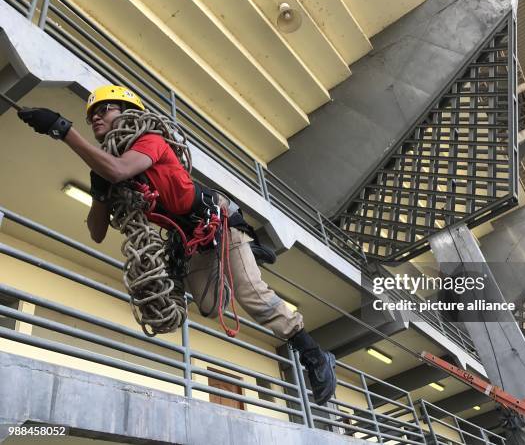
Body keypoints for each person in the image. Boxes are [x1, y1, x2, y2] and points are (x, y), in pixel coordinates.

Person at [16, 85, 337, 405]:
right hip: (192, 242)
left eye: (104, 110)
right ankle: (238, 258)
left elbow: (119, 168)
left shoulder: (149, 141)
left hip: (217, 223)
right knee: (211, 307)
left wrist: (62, 129)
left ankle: (314, 355)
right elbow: (96, 231)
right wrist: (100, 190)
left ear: (127, 114)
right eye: (91, 116)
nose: (96, 117)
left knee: (251, 294)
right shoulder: (109, 172)